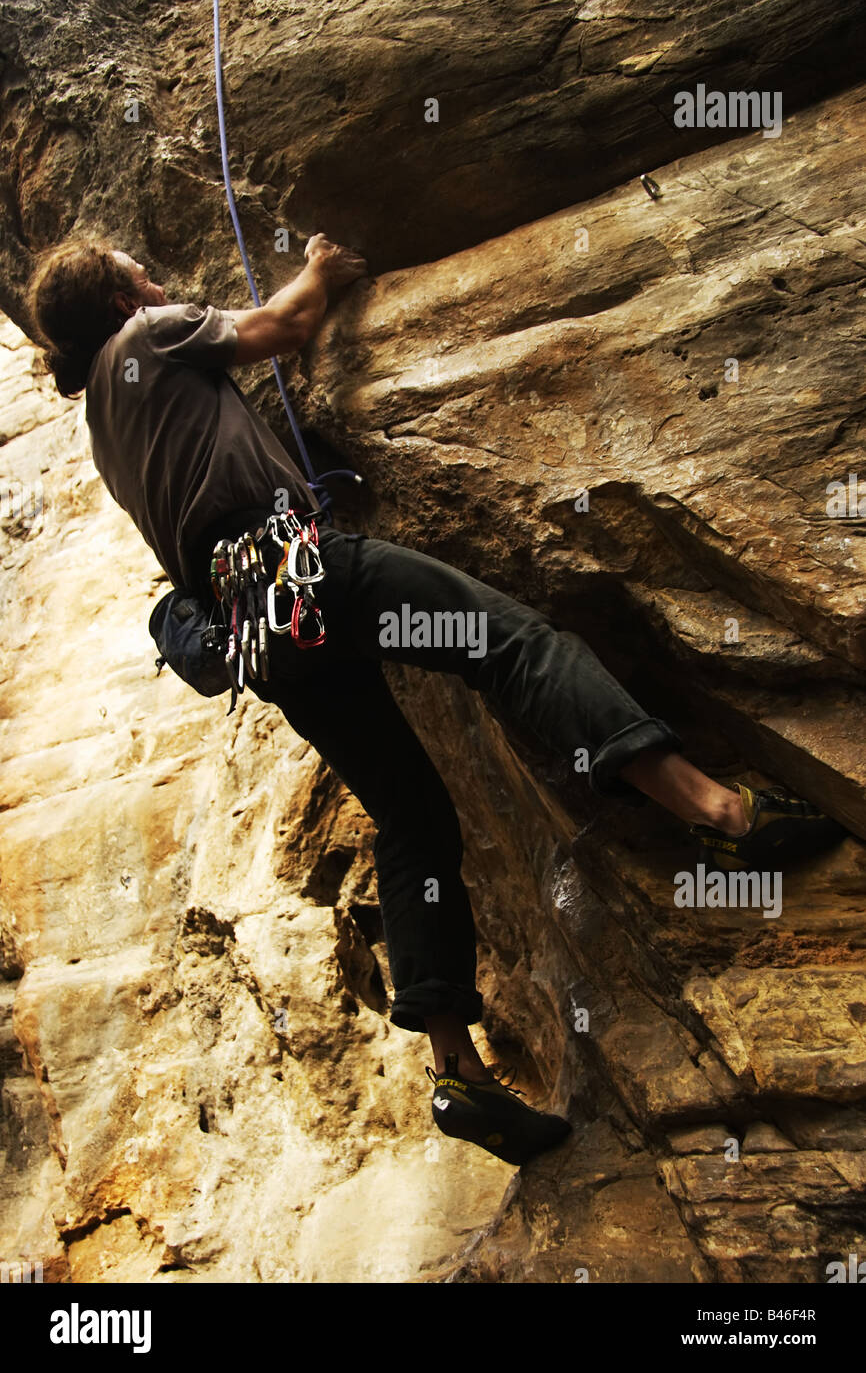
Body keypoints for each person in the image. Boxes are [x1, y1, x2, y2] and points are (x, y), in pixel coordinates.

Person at [27, 236, 843, 1167]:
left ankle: (457, 1069)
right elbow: (283, 327)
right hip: (312, 576)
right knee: (513, 645)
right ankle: (721, 812)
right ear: (122, 294)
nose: (154, 278)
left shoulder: (102, 426)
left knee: (410, 822)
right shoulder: (152, 336)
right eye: (139, 270)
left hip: (268, 640)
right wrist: (324, 269)